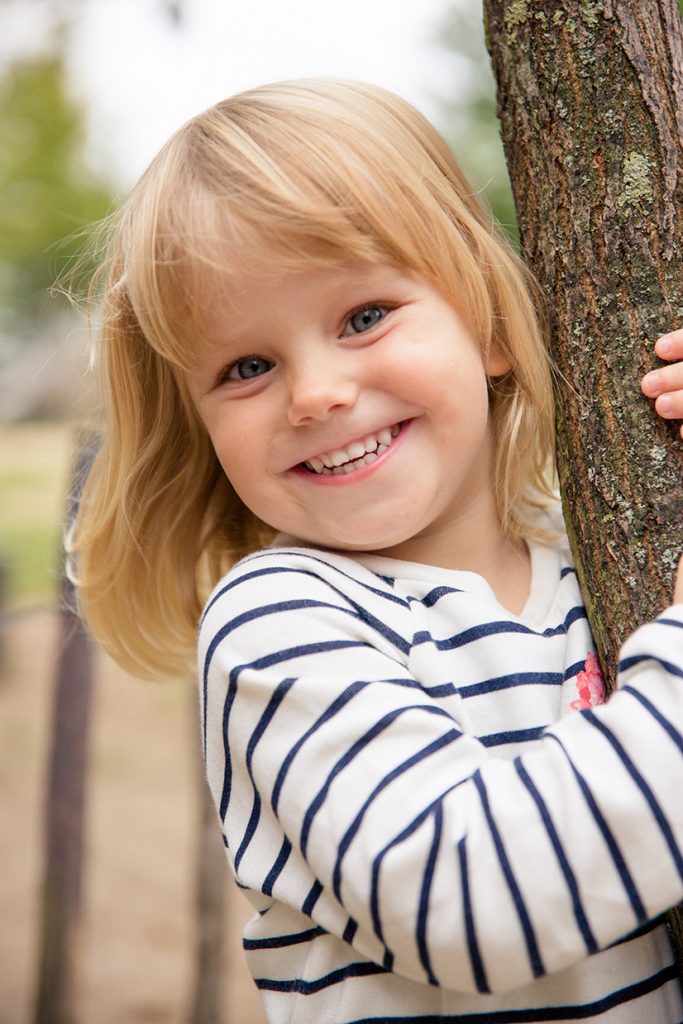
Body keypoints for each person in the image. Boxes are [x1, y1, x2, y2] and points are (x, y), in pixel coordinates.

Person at [72, 79, 683, 1022]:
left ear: (482, 318)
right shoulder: (279, 624)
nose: (314, 394)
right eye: (246, 367)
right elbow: (467, 904)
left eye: (363, 317)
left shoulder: (586, 554)